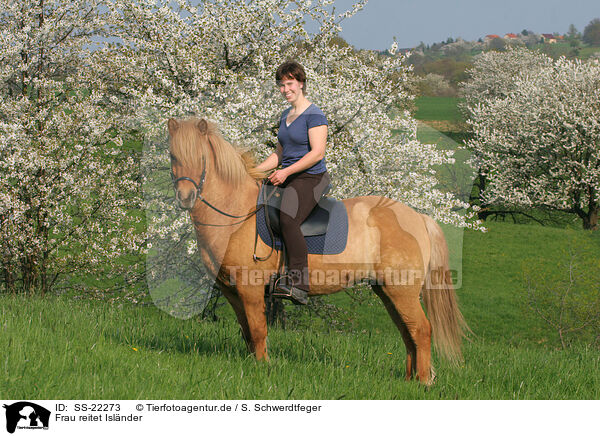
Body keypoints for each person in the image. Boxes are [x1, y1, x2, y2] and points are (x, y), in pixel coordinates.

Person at [255, 60, 331, 305]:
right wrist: (252, 170)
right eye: (281, 85)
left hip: (312, 177)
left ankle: (299, 283)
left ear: (301, 83)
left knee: (288, 217)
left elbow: (317, 153)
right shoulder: (285, 116)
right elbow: (279, 154)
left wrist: (286, 173)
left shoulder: (315, 115)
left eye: (289, 84)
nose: (285, 89)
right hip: (288, 174)